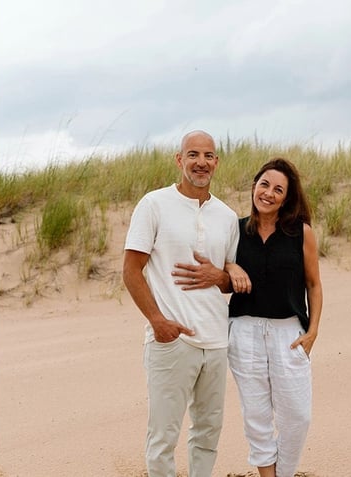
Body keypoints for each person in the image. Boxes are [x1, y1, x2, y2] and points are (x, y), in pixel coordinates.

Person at [122, 130, 239, 477]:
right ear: (179, 159)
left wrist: (221, 277)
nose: (200, 162)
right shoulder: (154, 204)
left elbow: (231, 277)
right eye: (193, 155)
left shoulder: (228, 217)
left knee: (207, 434)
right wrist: (158, 321)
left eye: (208, 156)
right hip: (173, 342)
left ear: (216, 162)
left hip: (217, 343)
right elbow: (131, 269)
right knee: (163, 437)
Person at [225, 158, 324, 477]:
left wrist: (313, 331)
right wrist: (230, 267)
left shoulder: (301, 233)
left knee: (298, 417)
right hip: (244, 330)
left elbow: (314, 283)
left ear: (286, 197)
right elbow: (218, 267)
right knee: (257, 417)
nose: (268, 193)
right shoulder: (234, 230)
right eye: (264, 184)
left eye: (278, 189)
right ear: (254, 186)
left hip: (289, 333)